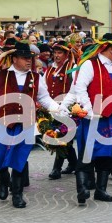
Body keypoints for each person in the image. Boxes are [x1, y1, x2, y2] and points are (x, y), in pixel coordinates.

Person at [0, 42, 60, 208]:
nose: (29, 61)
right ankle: (3, 181)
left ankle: (17, 194)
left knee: (19, 158)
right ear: (14, 59)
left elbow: (44, 98)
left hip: (25, 124)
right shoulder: (1, 75)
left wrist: (58, 108)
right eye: (24, 58)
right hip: (4, 122)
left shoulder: (36, 77)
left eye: (30, 58)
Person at [67, 33, 112, 205]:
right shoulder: (90, 64)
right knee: (88, 153)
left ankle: (101, 190)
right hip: (93, 118)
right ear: (110, 49)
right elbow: (80, 88)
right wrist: (89, 109)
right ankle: (82, 189)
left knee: (108, 155)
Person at [44, 40, 78, 179]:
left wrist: (68, 105)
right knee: (62, 138)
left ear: (66, 54)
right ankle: (74, 163)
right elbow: (44, 89)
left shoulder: (72, 68)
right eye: (55, 53)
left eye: (60, 53)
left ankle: (56, 169)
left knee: (61, 137)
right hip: (52, 108)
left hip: (67, 108)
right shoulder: (49, 69)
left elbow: (75, 89)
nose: (56, 55)